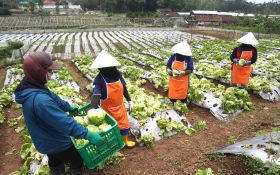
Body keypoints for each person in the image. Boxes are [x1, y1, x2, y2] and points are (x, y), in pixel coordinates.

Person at [14, 52, 105, 175]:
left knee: (55, 159)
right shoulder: (40, 101)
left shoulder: (32, 86)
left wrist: (67, 107)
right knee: (76, 160)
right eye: (49, 71)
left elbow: (53, 97)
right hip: (55, 141)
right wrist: (88, 134)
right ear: (38, 72)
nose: (51, 74)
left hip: (44, 137)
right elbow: (63, 122)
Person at [90, 50, 135, 148]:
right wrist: (92, 110)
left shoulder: (118, 74)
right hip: (107, 109)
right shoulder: (99, 80)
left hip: (120, 106)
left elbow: (124, 88)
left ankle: (125, 141)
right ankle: (113, 143)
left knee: (124, 124)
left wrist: (129, 100)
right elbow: (96, 95)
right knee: (109, 127)